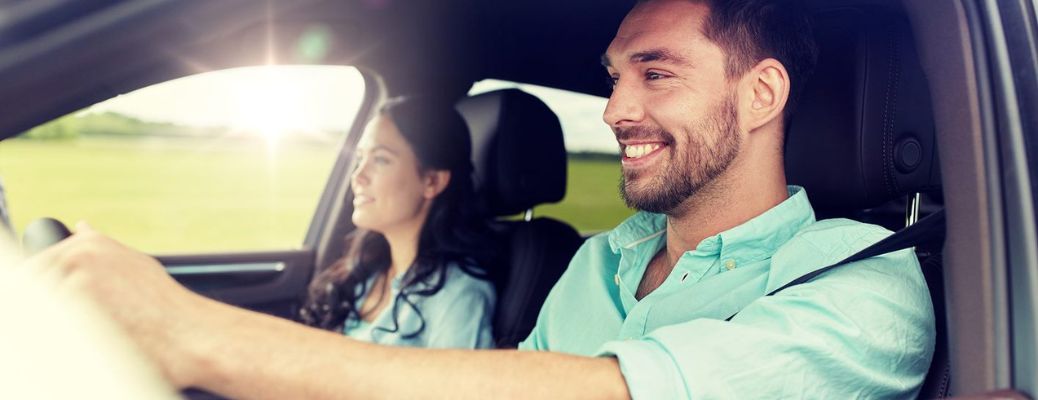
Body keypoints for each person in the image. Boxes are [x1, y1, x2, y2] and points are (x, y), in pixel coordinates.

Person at [25, 0, 935, 398]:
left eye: (657, 73)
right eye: (615, 76)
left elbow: (616, 392)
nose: (616, 108)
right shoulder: (600, 259)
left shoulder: (863, 290)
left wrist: (195, 334)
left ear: (762, 95)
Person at [299, 97, 497, 348]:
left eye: (381, 160)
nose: (358, 176)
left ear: (431, 182)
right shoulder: (365, 271)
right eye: (361, 158)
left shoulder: (459, 296)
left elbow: (455, 388)